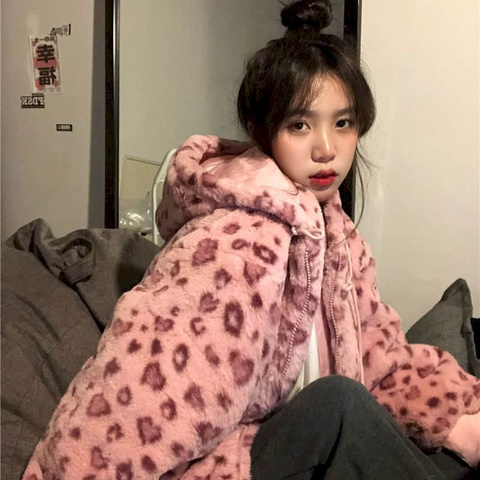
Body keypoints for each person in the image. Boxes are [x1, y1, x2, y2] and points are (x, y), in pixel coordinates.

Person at [22, 1, 479, 479]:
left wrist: (458, 419)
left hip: (311, 450)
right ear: (264, 131)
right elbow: (141, 397)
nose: (326, 148)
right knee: (339, 403)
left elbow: (381, 359)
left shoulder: (341, 238)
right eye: (300, 125)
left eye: (342, 123)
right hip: (237, 460)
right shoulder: (230, 240)